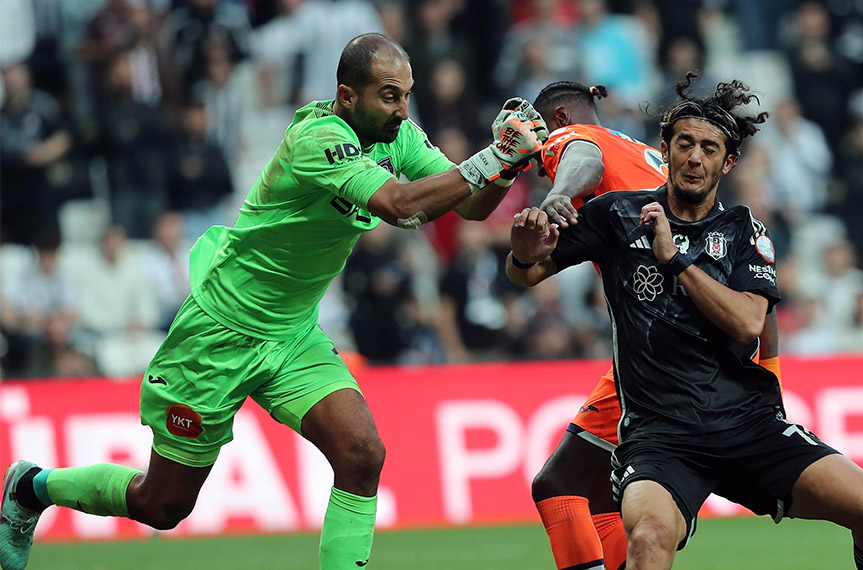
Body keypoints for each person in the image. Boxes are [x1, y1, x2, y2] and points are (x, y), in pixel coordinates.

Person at [1, 33, 547, 570]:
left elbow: (472, 207)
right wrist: (491, 155)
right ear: (346, 95)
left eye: (406, 94)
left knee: (362, 455)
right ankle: (30, 488)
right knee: (161, 505)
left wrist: (508, 164)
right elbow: (400, 205)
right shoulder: (319, 139)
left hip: (292, 333)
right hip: (221, 331)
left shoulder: (395, 134)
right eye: (389, 95)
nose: (402, 109)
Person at [507, 73, 863, 570]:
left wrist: (675, 259)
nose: (695, 157)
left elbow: (748, 322)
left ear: (728, 161)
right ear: (666, 148)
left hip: (746, 424)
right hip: (659, 436)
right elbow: (528, 269)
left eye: (710, 149)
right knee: (648, 539)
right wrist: (522, 254)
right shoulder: (616, 214)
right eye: (686, 144)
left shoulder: (744, 229)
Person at [529, 79, 787, 570]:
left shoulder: (573, 137)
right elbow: (756, 289)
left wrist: (558, 194)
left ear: (559, 119)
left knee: (557, 485)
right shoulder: (648, 153)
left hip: (665, 352)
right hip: (661, 340)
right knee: (603, 495)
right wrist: (771, 370)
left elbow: (584, 159)